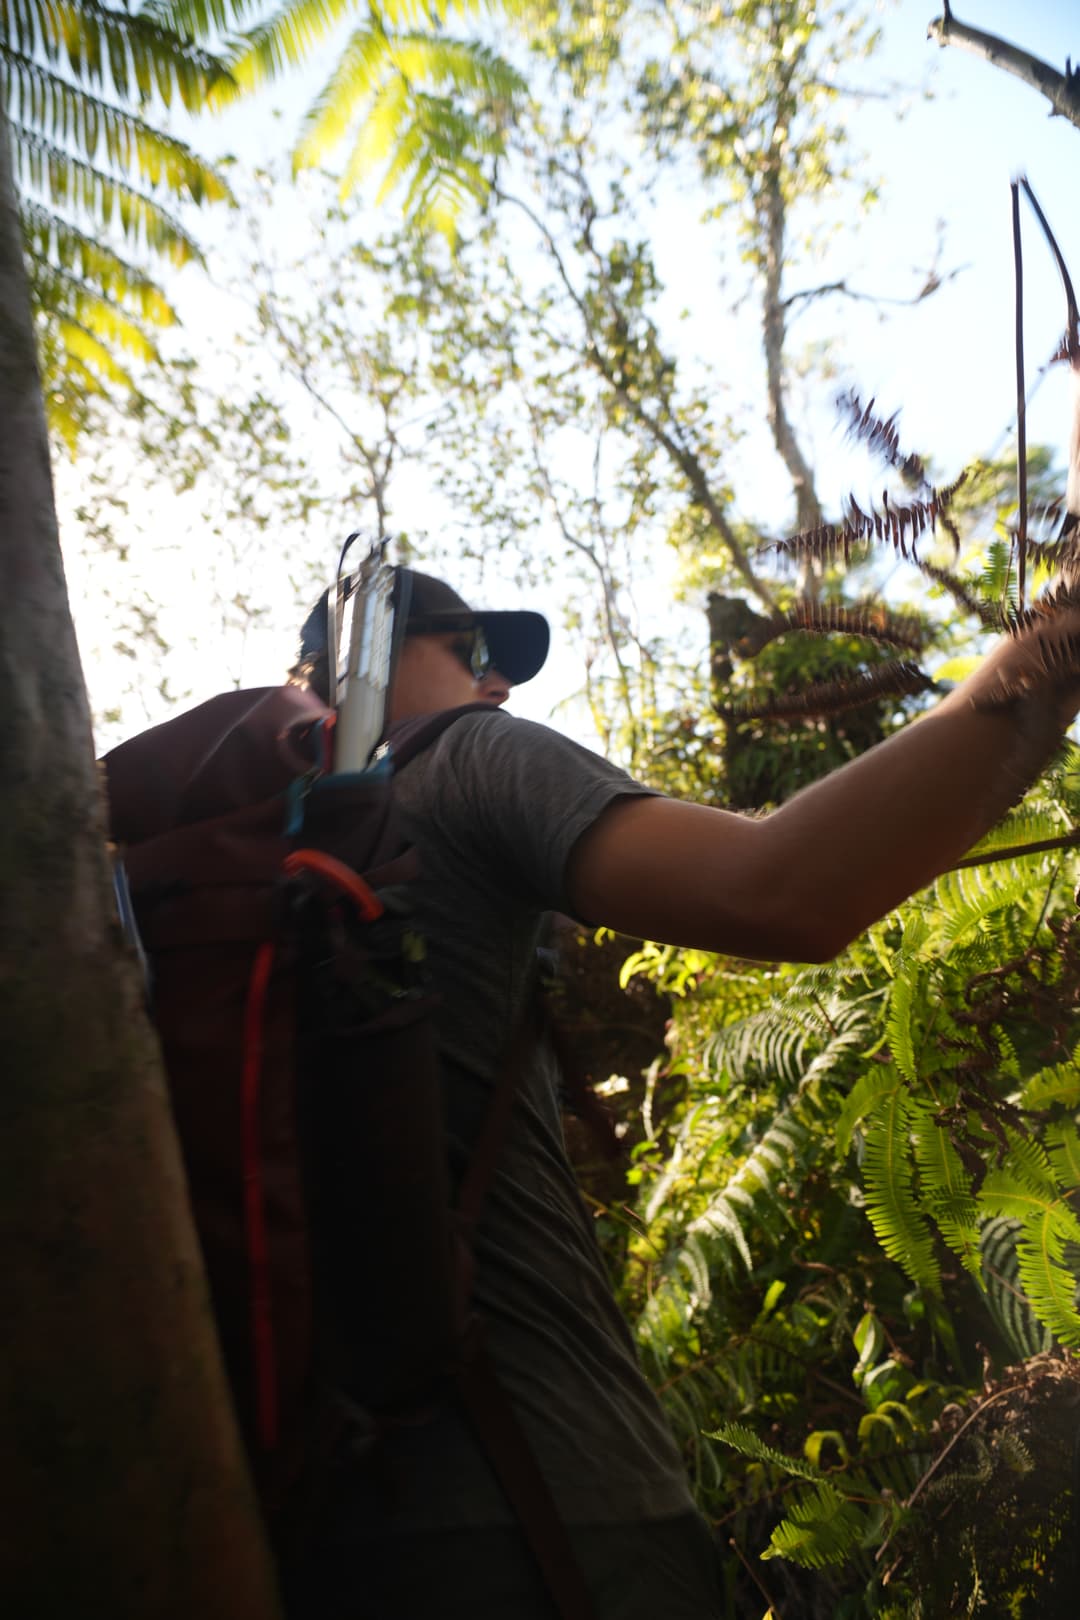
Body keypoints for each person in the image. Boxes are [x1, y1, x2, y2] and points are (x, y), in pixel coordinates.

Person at [288, 569, 1080, 1619]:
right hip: (554, 1509)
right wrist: (1055, 642)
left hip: (305, 1529)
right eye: (471, 653)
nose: (499, 687)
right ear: (371, 657)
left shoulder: (231, 868)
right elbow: (785, 887)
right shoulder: (463, 760)